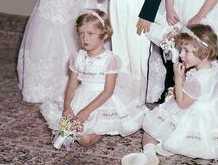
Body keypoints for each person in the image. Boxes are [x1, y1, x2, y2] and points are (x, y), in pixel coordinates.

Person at [121, 24, 218, 165]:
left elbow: (182, 104)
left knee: (150, 130)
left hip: (193, 113)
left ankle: (149, 153)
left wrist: (178, 81)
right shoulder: (215, 64)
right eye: (181, 50)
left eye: (186, 51)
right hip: (214, 109)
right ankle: (165, 147)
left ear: (203, 52)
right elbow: (203, 90)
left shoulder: (196, 80)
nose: (181, 55)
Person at [41, 10, 147, 148]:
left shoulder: (110, 59)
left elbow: (108, 92)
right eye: (81, 33)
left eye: (90, 34)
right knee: (67, 126)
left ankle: (102, 129)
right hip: (82, 96)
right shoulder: (78, 57)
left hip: (103, 100)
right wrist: (67, 107)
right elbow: (72, 85)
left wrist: (86, 111)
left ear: (105, 34)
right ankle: (82, 130)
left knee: (85, 140)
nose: (85, 38)